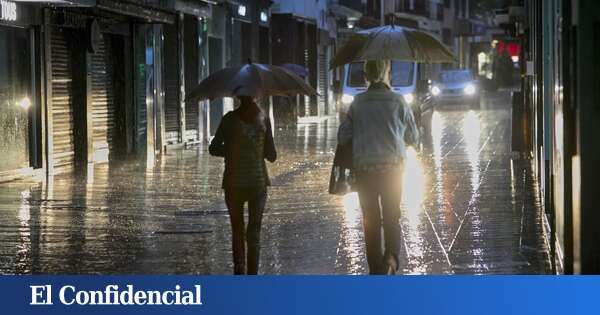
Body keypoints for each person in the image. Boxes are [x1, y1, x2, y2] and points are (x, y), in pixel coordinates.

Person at [338, 60, 419, 275]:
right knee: (392, 216)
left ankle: (375, 268)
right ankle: (391, 259)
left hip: (365, 170)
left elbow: (343, 135)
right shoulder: (399, 101)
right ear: (387, 73)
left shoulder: (357, 103)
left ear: (366, 75)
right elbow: (413, 137)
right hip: (393, 169)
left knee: (370, 219)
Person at [209, 95, 277, 275]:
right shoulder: (263, 118)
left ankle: (239, 274)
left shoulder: (228, 119)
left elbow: (213, 148)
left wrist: (232, 150)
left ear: (237, 96)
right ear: (256, 96)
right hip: (257, 183)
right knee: (254, 232)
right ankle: (252, 277)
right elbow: (272, 155)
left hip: (233, 183)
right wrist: (256, 148)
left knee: (237, 230)